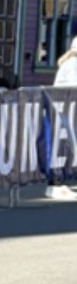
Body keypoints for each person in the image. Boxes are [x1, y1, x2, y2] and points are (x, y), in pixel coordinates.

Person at [45, 36, 77, 200]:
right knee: (64, 147)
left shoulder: (68, 63)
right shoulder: (72, 64)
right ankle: (57, 184)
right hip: (66, 111)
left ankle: (59, 183)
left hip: (66, 111)